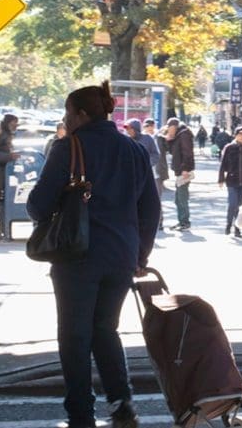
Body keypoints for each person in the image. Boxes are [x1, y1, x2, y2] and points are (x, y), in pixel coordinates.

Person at [26, 81, 160, 428]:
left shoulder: (68, 147)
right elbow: (151, 209)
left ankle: (81, 413)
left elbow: (38, 206)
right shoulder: (135, 150)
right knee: (105, 329)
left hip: (76, 255)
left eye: (68, 113)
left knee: (74, 333)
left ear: (82, 114)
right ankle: (121, 403)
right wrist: (140, 254)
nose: (66, 119)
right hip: (122, 256)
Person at [218, 126, 242, 237]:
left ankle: (237, 227)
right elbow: (223, 164)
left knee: (240, 205)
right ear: (235, 135)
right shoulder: (229, 147)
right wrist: (221, 179)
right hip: (232, 180)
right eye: (240, 134)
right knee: (232, 204)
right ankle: (228, 224)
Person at [0, 113, 19, 240]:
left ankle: (1, 232)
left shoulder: (7, 135)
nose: (15, 126)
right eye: (13, 123)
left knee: (0, 204)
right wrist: (8, 157)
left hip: (4, 176)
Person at [163, 117, 195, 231]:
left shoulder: (184, 135)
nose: (168, 130)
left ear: (174, 126)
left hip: (184, 171)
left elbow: (188, 153)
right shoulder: (178, 135)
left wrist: (185, 168)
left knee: (182, 197)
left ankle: (185, 222)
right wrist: (170, 140)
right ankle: (181, 221)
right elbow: (173, 151)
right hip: (180, 171)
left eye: (169, 128)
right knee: (178, 198)